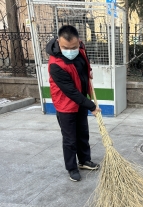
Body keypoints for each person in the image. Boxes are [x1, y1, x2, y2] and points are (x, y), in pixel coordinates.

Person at [46, 25, 101, 182]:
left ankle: (84, 160)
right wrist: (91, 106)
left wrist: (88, 70)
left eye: (74, 47)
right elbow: (70, 92)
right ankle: (71, 167)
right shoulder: (55, 64)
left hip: (81, 101)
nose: (70, 50)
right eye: (65, 47)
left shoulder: (81, 49)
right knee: (70, 139)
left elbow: (84, 63)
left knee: (83, 133)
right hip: (66, 105)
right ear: (58, 42)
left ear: (79, 42)